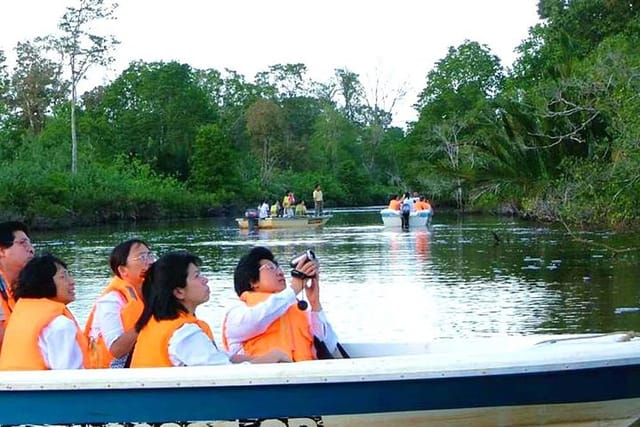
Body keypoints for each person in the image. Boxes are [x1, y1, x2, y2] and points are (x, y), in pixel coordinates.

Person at [130, 251, 289, 367]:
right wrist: (270, 360)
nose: (205, 280)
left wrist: (257, 359)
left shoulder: (157, 323)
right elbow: (223, 375)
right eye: (197, 276)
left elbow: (219, 358)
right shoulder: (184, 333)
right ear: (179, 291)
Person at [222, 246, 338, 362]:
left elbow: (329, 347)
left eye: (279, 267)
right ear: (253, 281)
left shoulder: (294, 307)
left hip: (303, 375)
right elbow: (254, 322)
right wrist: (294, 289)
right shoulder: (238, 310)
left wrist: (315, 305)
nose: (280, 272)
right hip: (263, 377)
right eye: (271, 268)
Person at [0, 254, 88, 370]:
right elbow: (69, 380)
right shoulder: (60, 325)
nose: (72, 281)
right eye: (63, 277)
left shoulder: (21, 316)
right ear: (45, 283)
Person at [84, 239, 154, 368]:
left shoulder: (153, 295)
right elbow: (117, 350)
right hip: (111, 376)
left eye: (150, 255)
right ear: (123, 270)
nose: (150, 262)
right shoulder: (111, 301)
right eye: (142, 257)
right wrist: (146, 318)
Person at [0, 221, 35, 350]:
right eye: (22, 243)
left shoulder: (30, 287)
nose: (31, 249)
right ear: (2, 251)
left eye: (30, 244)